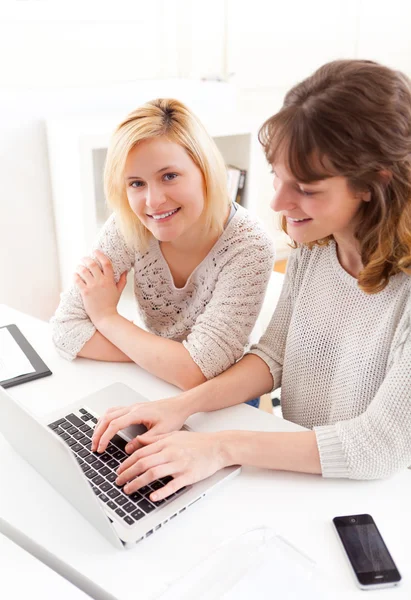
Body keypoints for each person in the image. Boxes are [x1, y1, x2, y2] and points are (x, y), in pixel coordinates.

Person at [91, 59, 411, 503]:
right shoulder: (318, 249)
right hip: (297, 466)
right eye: (278, 176)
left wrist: (221, 447)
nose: (278, 201)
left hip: (377, 495)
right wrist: (181, 406)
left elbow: (376, 448)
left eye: (307, 188)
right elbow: (274, 355)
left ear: (372, 185)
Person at [51, 98, 275, 392]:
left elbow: (198, 371)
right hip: (157, 385)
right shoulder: (128, 224)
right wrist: (165, 362)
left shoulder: (249, 245)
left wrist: (106, 317)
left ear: (204, 171)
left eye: (169, 176)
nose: (153, 201)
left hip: (225, 397)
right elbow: (65, 328)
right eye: (136, 183)